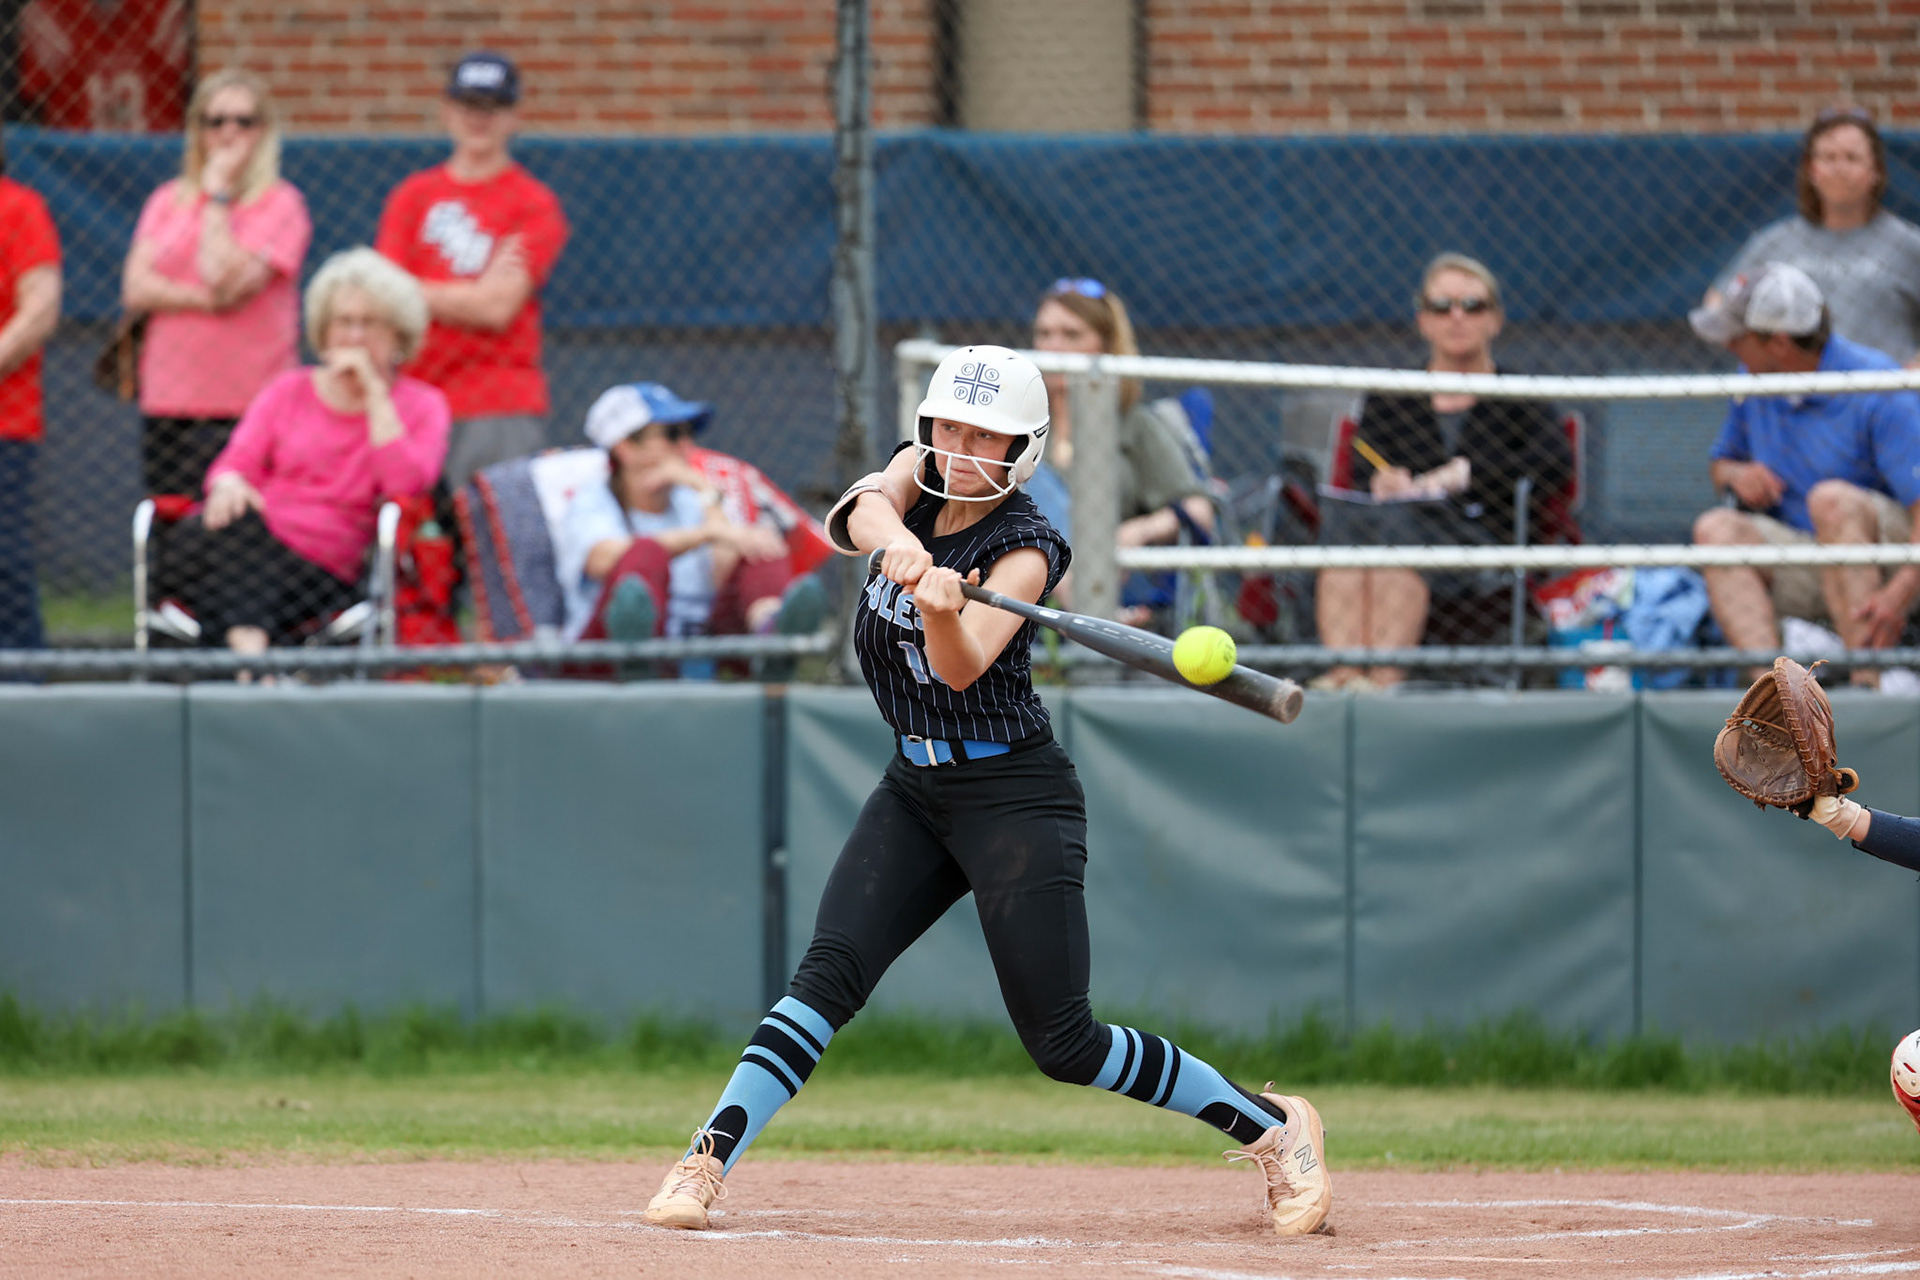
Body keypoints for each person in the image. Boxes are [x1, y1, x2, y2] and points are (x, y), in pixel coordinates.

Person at [639, 345, 1332, 1239]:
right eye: (950, 429)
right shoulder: (915, 477)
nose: (961, 450)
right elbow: (853, 512)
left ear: (1024, 450)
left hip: (1013, 794)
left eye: (986, 437)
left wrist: (939, 604)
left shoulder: (1027, 552)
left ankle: (1276, 1128)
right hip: (915, 787)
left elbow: (960, 667)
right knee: (825, 977)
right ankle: (706, 1158)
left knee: (1065, 1044)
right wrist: (902, 547)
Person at [156, 248, 449, 657]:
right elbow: (235, 463)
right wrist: (228, 485)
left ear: (399, 335)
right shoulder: (288, 391)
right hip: (237, 538)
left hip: (319, 569)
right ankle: (253, 666)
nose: (355, 336)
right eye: (344, 322)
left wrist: (378, 398)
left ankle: (244, 664)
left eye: (370, 324)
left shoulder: (421, 406)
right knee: (239, 529)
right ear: (324, 330)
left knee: (239, 560)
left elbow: (408, 485)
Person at [1314, 253, 1571, 691]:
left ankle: (1381, 686)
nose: (1457, 317)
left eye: (1472, 305)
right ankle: (1345, 678)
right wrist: (1383, 480)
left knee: (1396, 538)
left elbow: (1555, 464)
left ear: (1496, 320)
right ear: (1423, 320)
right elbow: (1362, 465)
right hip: (1393, 527)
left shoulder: (1520, 395)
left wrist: (1470, 473)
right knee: (1354, 536)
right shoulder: (1393, 394)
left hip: (1481, 540)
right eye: (1442, 306)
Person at [1689, 262, 1920, 682]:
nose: (1728, 345)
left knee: (1830, 500)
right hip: (1807, 559)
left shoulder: (1878, 384)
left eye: (1737, 336)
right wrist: (1737, 474)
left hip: (1892, 564)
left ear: (1777, 343)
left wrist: (1899, 593)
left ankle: (1868, 688)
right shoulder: (1751, 378)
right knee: (1716, 527)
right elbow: (1720, 464)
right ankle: (1773, 703)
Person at [374, 50, 569, 491]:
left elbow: (497, 308)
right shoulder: (412, 196)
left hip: (497, 399)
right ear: (447, 112)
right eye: (468, 106)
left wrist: (416, 290)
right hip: (414, 394)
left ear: (514, 117)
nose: (479, 118)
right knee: (415, 537)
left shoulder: (533, 203)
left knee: (500, 537)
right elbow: (384, 297)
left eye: (493, 107)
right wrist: (473, 292)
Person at [122, 68, 311, 497]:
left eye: (244, 122)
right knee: (173, 525)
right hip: (171, 397)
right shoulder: (166, 201)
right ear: (198, 131)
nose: (229, 132)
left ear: (263, 131)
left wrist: (218, 196)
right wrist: (208, 303)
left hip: (252, 400)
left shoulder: (281, 204)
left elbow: (222, 276)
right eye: (216, 121)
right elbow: (136, 286)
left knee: (241, 530)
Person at [554, 382, 827, 653]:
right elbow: (602, 558)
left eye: (689, 432)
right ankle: (637, 664)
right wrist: (707, 533)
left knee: (759, 544)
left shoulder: (688, 497)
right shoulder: (591, 499)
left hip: (695, 645)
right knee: (646, 553)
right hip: (606, 655)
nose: (687, 444)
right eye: (672, 434)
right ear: (625, 447)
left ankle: (772, 636)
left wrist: (705, 489)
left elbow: (723, 567)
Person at [1024, 277, 1216, 623]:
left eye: (1071, 335)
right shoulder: (1019, 422)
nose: (1053, 347)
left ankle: (1083, 604)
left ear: (1105, 345)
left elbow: (1199, 509)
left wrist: (1136, 531)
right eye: (1044, 334)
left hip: (1117, 579)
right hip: (1030, 580)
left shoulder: (1133, 424)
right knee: (1023, 473)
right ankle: (1081, 603)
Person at [1709, 106, 1920, 366]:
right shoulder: (1775, 241)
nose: (1839, 168)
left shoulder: (1908, 244)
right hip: (1795, 399)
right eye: (1829, 157)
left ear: (1875, 170)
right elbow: (1717, 304)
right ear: (1812, 170)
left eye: (1852, 158)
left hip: (1882, 397)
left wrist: (1907, 380)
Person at [0, 142, 61, 652]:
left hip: (5, 420)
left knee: (5, 560)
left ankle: (22, 686)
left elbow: (39, 310)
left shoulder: (19, 207)